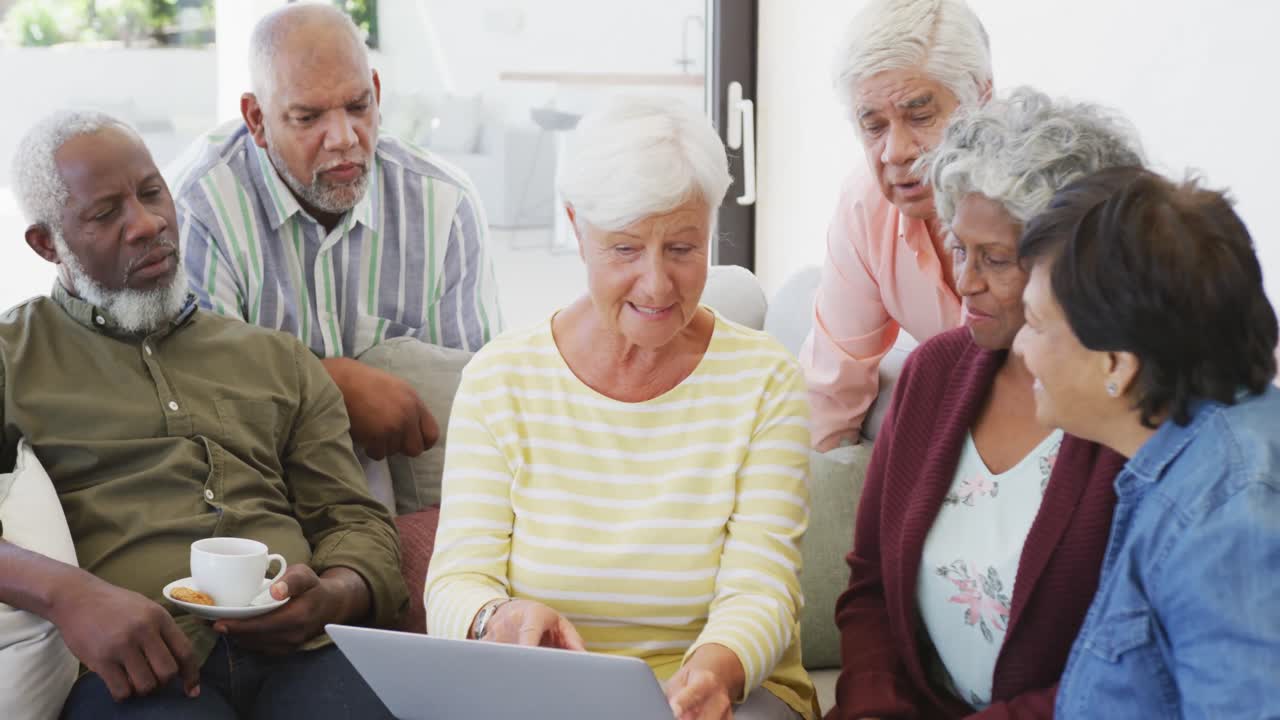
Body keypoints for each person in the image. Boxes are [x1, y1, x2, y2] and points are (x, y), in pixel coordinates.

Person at [1, 110, 407, 718]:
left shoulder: (278, 358)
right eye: (105, 213)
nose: (148, 224)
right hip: (140, 671)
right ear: (46, 243)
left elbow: (354, 520)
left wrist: (338, 592)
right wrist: (67, 595)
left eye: (151, 192)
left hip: (304, 650)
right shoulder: (11, 360)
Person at [424, 97, 817, 720]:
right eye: (626, 249)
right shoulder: (501, 380)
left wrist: (711, 673)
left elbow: (762, 591)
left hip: (721, 693)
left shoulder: (764, 381)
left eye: (682, 248)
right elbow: (454, 584)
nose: (657, 284)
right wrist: (495, 619)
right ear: (577, 229)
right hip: (548, 697)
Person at [829, 89, 1142, 719]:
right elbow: (871, 587)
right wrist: (872, 708)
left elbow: (1137, 666)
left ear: (1078, 268)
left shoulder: (1130, 412)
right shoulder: (933, 373)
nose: (965, 282)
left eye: (995, 260)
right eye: (958, 248)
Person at [172, 3, 502, 461]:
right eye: (308, 117)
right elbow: (205, 398)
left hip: (407, 474)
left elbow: (476, 402)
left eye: (358, 106)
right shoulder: (200, 209)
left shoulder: (444, 205)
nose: (344, 137)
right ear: (257, 119)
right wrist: (327, 385)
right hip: (259, 476)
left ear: (377, 94)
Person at [1013, 166, 1280, 718]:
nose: (1020, 347)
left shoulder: (1230, 522)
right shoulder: (1199, 457)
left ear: (1116, 364)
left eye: (1035, 323)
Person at [800, 0, 993, 451]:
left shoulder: (1041, 200)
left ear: (982, 100)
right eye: (874, 127)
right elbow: (830, 392)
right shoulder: (866, 204)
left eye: (920, 117)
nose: (895, 152)